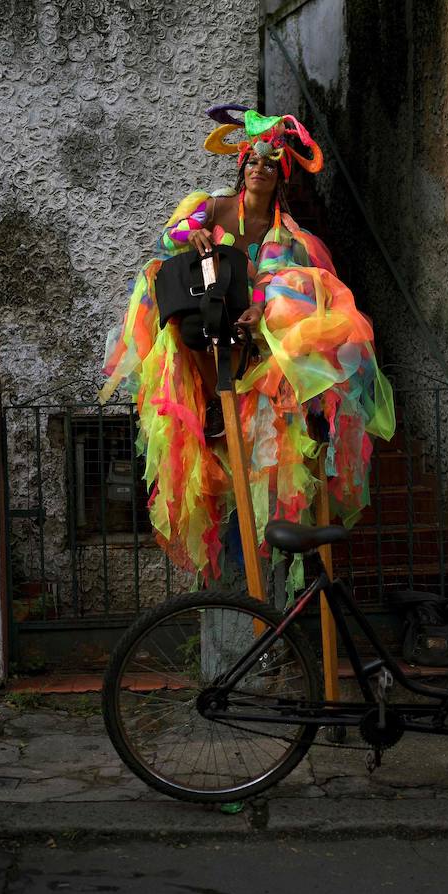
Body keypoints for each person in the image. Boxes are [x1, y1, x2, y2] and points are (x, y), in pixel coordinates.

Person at [102, 106, 395, 581]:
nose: (260, 167)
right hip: (203, 307)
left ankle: (278, 397)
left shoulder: (283, 232)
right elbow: (167, 238)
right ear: (241, 168)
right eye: (253, 161)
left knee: (298, 292)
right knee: (186, 324)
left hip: (247, 321)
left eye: (270, 163)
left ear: (281, 176)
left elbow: (268, 279)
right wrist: (190, 231)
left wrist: (259, 307)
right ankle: (213, 398)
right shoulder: (212, 205)